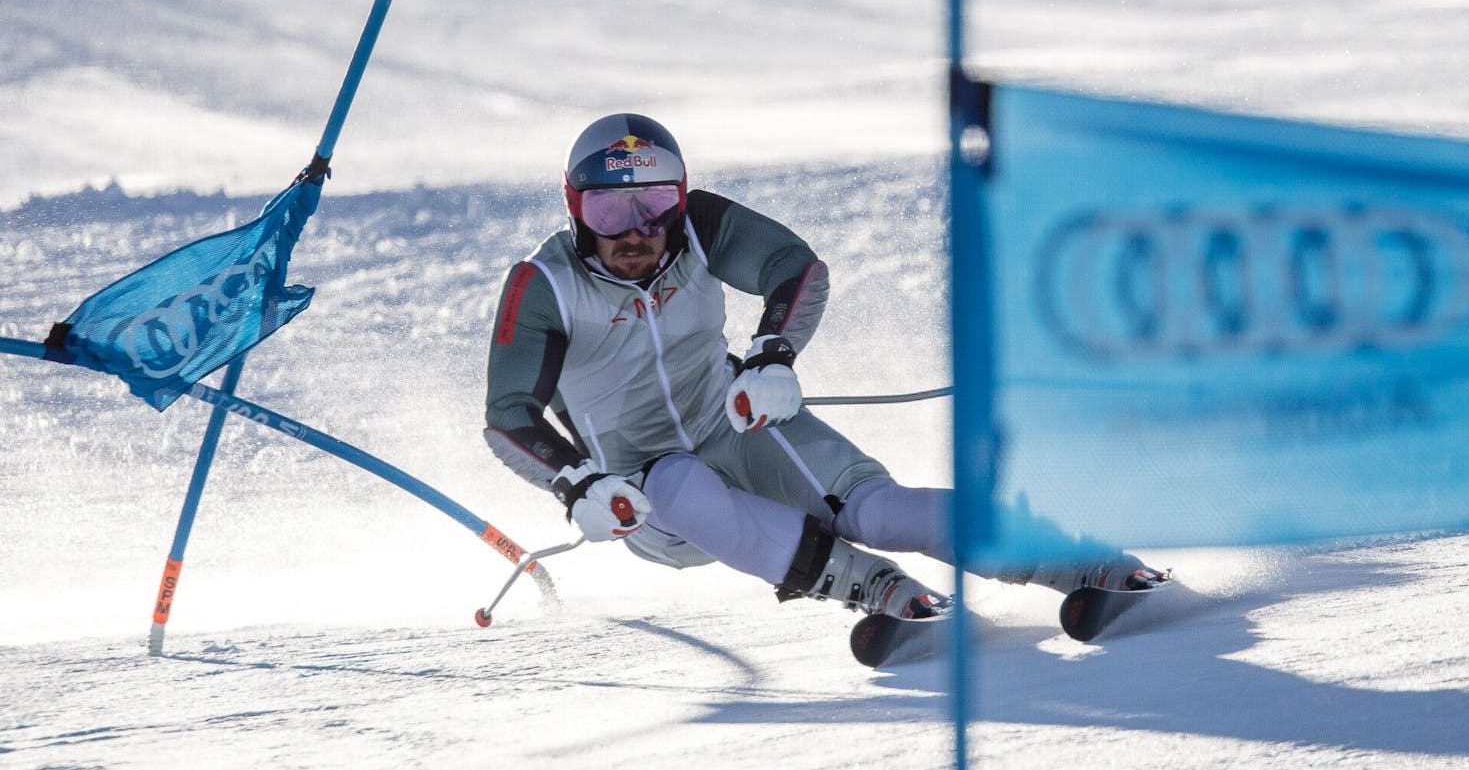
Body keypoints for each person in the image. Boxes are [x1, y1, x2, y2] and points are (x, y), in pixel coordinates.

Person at [484, 113, 1163, 622]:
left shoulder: (697, 228)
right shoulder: (545, 283)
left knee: (881, 510)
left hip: (734, 425)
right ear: (576, 208)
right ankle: (865, 583)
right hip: (645, 492)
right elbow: (508, 412)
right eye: (609, 208)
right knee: (680, 478)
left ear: (680, 199)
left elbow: (795, 267)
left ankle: (1072, 556)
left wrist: (772, 354)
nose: (635, 230)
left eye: (655, 204)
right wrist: (577, 484)